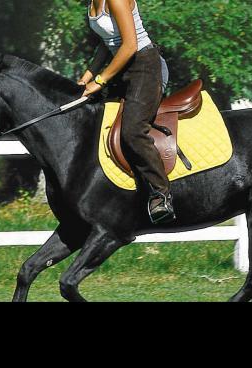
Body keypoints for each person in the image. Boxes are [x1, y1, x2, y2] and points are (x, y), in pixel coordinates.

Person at [78, 0, 174, 224]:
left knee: (132, 131)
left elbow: (130, 45)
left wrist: (100, 80)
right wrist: (86, 76)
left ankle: (161, 193)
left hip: (144, 66)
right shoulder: (93, 2)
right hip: (122, 68)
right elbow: (107, 42)